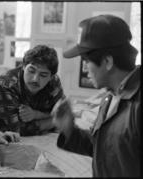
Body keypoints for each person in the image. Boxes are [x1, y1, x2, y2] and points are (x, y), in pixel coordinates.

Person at [52, 15, 140, 177]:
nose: (84, 68)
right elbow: (104, 149)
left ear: (107, 61)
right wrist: (70, 129)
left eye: (86, 61)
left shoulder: (137, 106)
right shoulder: (110, 96)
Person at [0, 45, 65, 136]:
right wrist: (53, 121)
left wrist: (36, 114)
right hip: (3, 143)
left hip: (41, 138)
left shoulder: (53, 81)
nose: (35, 79)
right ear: (23, 66)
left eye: (43, 75)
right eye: (31, 71)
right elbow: (17, 130)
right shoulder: (5, 85)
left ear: (51, 77)